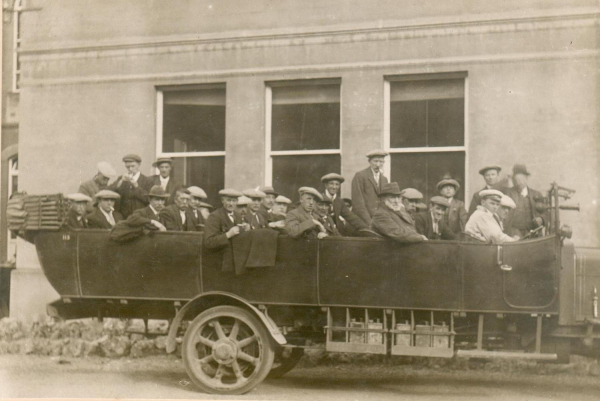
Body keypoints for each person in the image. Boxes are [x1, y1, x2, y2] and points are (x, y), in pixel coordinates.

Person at [504, 164, 545, 238]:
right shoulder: (508, 193)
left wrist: (541, 219)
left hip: (533, 232)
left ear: (526, 178)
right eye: (516, 180)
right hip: (514, 233)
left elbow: (545, 212)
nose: (518, 183)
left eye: (521, 180)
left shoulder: (536, 194)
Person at [351, 149, 389, 225]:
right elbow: (358, 203)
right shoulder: (360, 176)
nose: (378, 164)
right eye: (375, 161)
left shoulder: (384, 179)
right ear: (369, 161)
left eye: (381, 162)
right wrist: (369, 222)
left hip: (379, 221)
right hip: (363, 220)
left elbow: (384, 202)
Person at [110, 154, 154, 218]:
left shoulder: (147, 181)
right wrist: (120, 181)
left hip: (141, 217)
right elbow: (110, 192)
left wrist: (137, 187)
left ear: (139, 164)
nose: (130, 169)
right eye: (128, 167)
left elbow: (148, 199)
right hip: (123, 217)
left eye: (133, 166)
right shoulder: (121, 178)